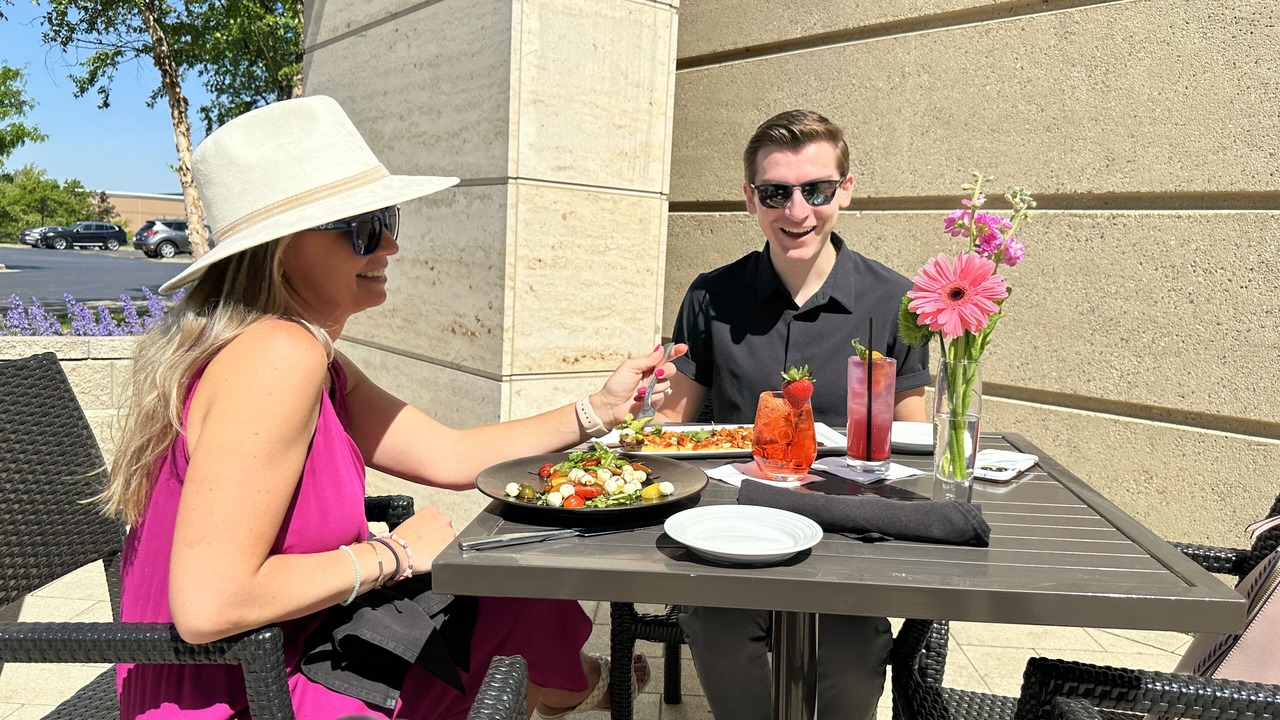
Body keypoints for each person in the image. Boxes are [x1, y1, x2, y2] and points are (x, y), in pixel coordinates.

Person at [105, 95, 682, 720]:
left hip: (293, 651)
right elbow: (210, 605)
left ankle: (567, 684)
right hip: (249, 691)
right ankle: (574, 684)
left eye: (388, 218)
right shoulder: (277, 356)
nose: (389, 245)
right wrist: (394, 555)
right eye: (360, 228)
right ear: (279, 249)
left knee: (518, 588)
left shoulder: (309, 358)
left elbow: (450, 454)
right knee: (512, 604)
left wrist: (599, 409)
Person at [657, 109, 931, 720]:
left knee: (853, 666)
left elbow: (913, 444)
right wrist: (630, 416)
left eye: (817, 190)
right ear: (751, 199)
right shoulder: (710, 296)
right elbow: (672, 429)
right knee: (723, 642)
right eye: (777, 193)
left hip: (847, 528)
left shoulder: (895, 301)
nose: (797, 211)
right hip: (730, 526)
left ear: (846, 190)